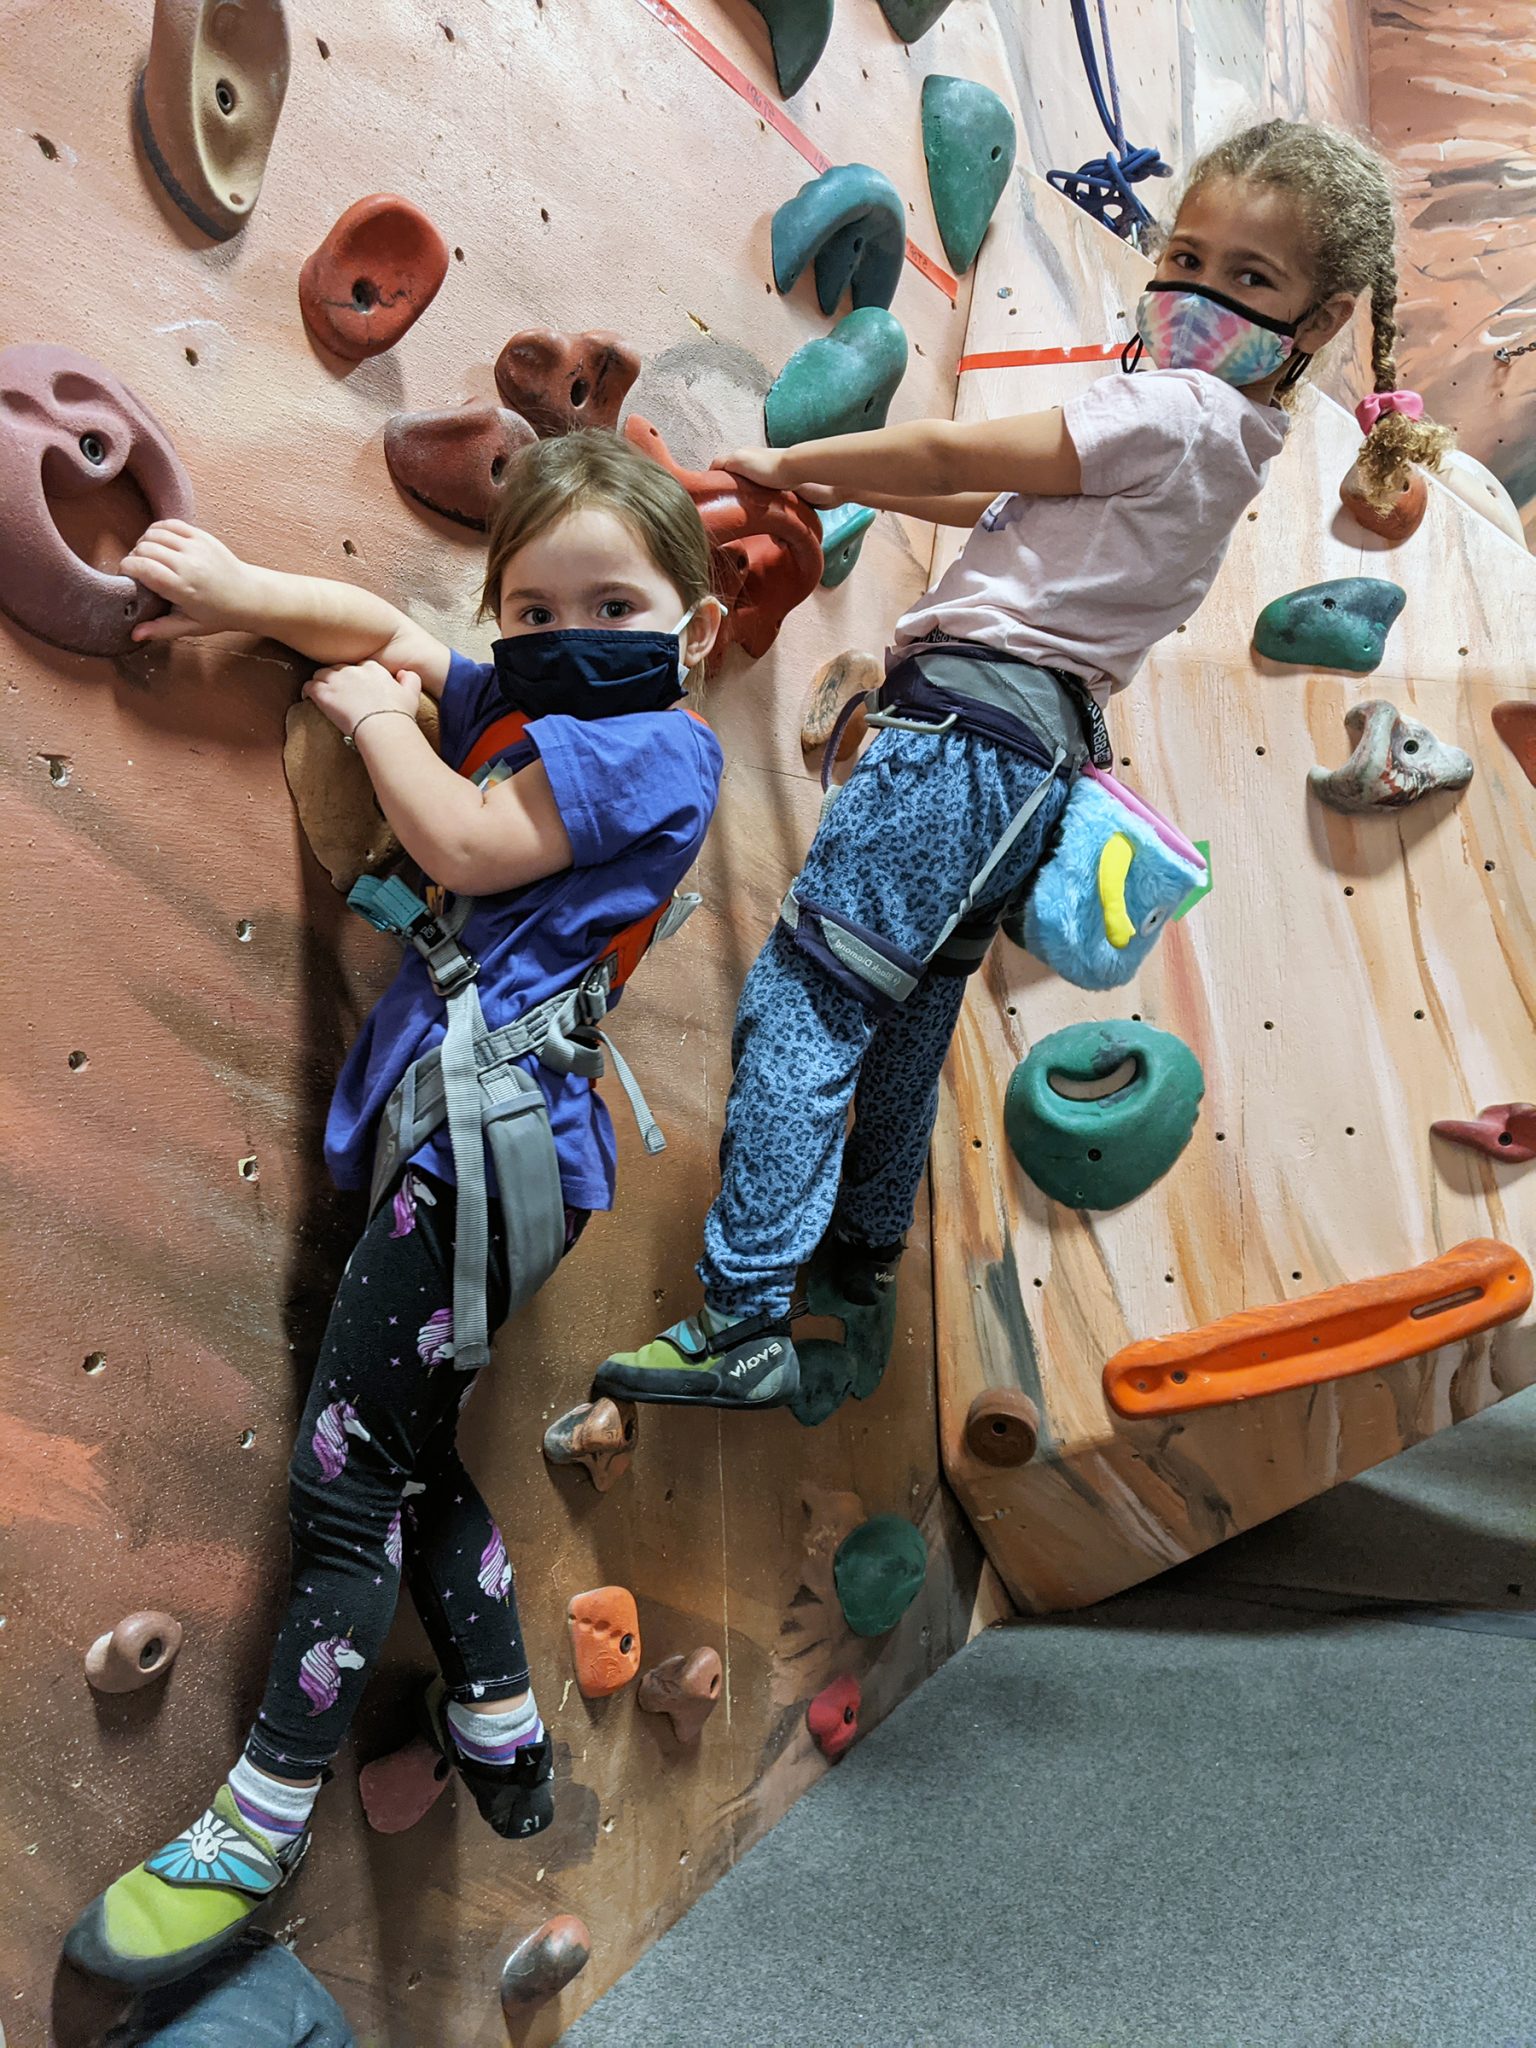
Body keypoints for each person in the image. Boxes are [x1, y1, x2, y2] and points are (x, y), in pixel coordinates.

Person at [590, 117, 1452, 1414]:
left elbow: (951, 451)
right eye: (1188, 256)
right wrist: (851, 502)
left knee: (809, 1005)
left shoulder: (1170, 404)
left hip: (960, 742)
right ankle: (859, 1264)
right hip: (1020, 769)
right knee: (904, 1024)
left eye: (1250, 280)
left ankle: (743, 1313)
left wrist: (791, 461)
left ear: (1320, 318)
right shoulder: (1226, 440)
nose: (1200, 294)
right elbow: (986, 503)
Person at [65, 430, 724, 1987]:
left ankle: (259, 1814)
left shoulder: (655, 748)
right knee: (410, 1446)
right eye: (535, 611)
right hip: (469, 1141)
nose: (568, 640)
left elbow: (468, 840)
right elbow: (384, 636)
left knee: (347, 1486)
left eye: (611, 606)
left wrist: (371, 726)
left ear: (690, 629)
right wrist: (241, 596)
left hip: (482, 1153)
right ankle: (498, 1716)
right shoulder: (539, 701)